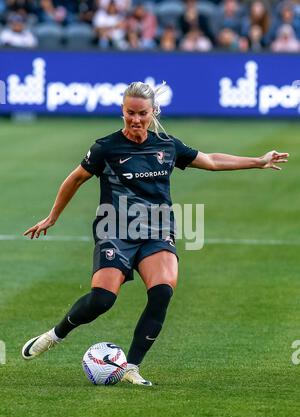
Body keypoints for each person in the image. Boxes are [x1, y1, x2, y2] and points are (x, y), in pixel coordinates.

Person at [21, 81, 289, 386]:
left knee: (162, 291)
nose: (135, 119)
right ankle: (55, 335)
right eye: (129, 113)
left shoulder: (167, 145)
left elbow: (212, 161)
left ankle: (131, 367)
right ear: (122, 111)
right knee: (102, 300)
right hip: (115, 230)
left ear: (153, 112)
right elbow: (75, 178)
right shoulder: (105, 148)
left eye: (142, 114)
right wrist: (52, 217)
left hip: (157, 230)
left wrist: (258, 161)